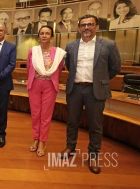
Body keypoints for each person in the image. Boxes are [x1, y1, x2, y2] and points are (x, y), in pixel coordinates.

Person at [59, 14, 121, 174]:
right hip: (75, 89)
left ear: (97, 27)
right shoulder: (70, 46)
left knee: (96, 125)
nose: (86, 27)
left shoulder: (108, 45)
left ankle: (93, 155)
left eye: (90, 24)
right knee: (72, 121)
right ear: (79, 28)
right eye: (83, 25)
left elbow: (115, 67)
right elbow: (69, 67)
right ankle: (70, 147)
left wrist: (101, 80)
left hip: (96, 90)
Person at [27, 25, 66, 156]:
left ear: (51, 36)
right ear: (38, 36)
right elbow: (29, 68)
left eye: (47, 33)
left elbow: (59, 69)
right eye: (42, 33)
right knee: (35, 114)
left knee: (46, 115)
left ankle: (43, 141)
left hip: (50, 85)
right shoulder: (33, 51)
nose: (44, 35)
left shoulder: (58, 52)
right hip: (35, 85)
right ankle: (35, 138)